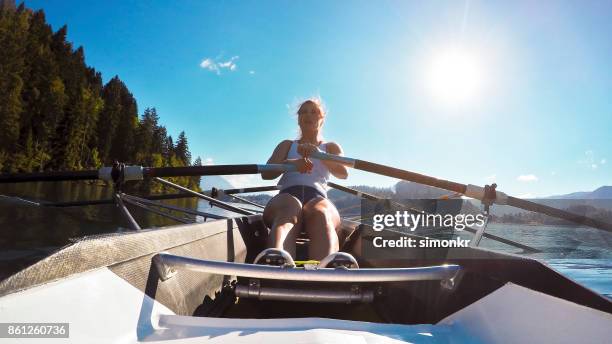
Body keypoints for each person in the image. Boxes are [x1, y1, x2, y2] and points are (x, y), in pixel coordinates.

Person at [261, 98, 348, 261]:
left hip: (317, 198)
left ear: (322, 119)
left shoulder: (330, 147)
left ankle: (325, 275)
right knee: (290, 209)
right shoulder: (286, 145)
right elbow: (266, 174)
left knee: (321, 214)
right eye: (303, 111)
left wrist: (319, 155)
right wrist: (291, 165)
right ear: (299, 119)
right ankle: (276, 266)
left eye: (314, 111)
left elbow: (343, 173)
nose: (308, 115)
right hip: (287, 197)